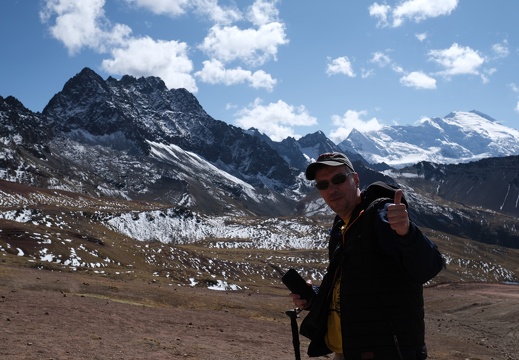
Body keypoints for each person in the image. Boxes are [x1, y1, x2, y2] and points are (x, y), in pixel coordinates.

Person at [290, 152, 444, 360]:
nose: (331, 189)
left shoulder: (379, 213)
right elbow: (356, 290)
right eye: (323, 185)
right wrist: (313, 297)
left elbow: (429, 266)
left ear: (355, 179)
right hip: (347, 351)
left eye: (338, 179)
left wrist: (406, 232)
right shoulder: (341, 227)